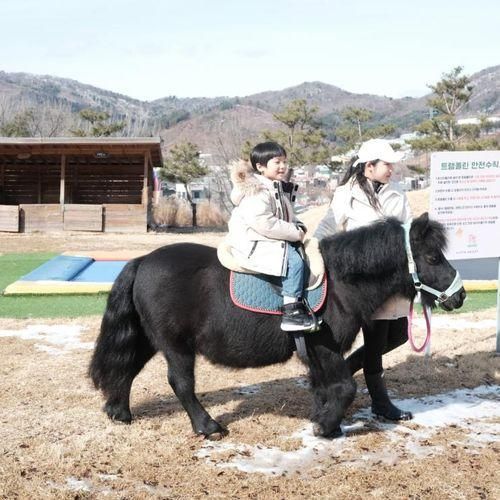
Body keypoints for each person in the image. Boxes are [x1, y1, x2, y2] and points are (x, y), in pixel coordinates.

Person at [314, 138, 413, 421]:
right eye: (386, 164)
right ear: (369, 167)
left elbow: (407, 228)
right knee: (377, 340)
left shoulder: (397, 193)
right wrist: (314, 246)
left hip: (393, 279)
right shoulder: (348, 193)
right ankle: (381, 403)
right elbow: (329, 224)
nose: (391, 169)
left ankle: (343, 371)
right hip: (365, 283)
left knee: (400, 334)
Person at [226, 141, 315, 332]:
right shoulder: (257, 190)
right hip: (254, 241)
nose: (283, 166)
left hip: (269, 237)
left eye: (284, 161)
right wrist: (294, 232)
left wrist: (297, 225)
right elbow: (264, 222)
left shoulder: (276, 187)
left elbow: (286, 216)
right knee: (294, 263)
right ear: (260, 166)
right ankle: (291, 311)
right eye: (277, 162)